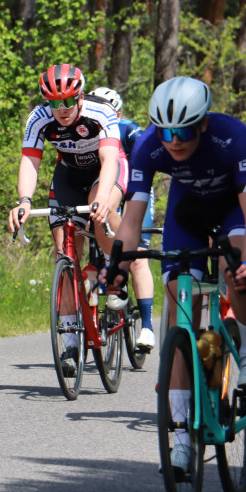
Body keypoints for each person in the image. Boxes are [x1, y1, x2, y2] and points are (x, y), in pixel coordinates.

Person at [102, 76, 246, 475]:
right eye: (166, 131)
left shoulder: (233, 137)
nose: (174, 140)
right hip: (187, 212)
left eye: (183, 131)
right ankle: (180, 439)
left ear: (203, 124)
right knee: (177, 299)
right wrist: (118, 266)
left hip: (232, 208)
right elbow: (133, 221)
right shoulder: (149, 146)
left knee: (232, 269)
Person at [7, 64, 126, 376]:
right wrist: (24, 201)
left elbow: (110, 159)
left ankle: (115, 274)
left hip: (103, 173)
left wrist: (101, 198)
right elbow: (30, 162)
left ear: (80, 97)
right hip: (68, 175)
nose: (60, 109)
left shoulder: (101, 113)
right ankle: (70, 341)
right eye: (54, 103)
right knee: (64, 253)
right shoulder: (40, 118)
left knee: (98, 212)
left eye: (67, 102)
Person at [89, 86, 157, 351]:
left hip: (135, 190)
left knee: (138, 256)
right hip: (105, 192)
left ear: (117, 113)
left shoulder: (129, 129)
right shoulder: (89, 132)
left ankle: (148, 327)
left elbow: (145, 160)